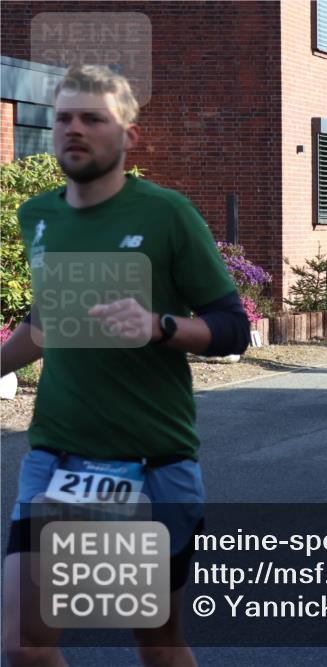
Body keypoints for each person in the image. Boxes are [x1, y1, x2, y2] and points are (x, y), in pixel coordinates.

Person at [1, 65, 250, 667]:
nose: (74, 130)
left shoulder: (166, 215)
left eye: (93, 118)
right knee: (23, 645)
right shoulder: (38, 215)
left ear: (129, 136)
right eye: (64, 117)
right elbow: (45, 324)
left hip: (149, 464)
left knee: (157, 643)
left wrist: (160, 326)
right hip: (56, 459)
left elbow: (233, 328)